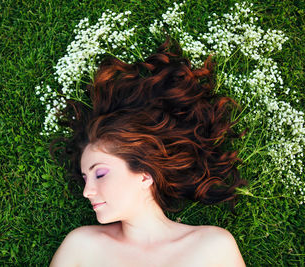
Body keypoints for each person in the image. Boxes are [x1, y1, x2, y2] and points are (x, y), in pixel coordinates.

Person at [49, 38, 247, 266]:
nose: (87, 191)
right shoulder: (82, 246)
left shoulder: (212, 247)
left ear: (145, 175)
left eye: (100, 174)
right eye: (85, 178)